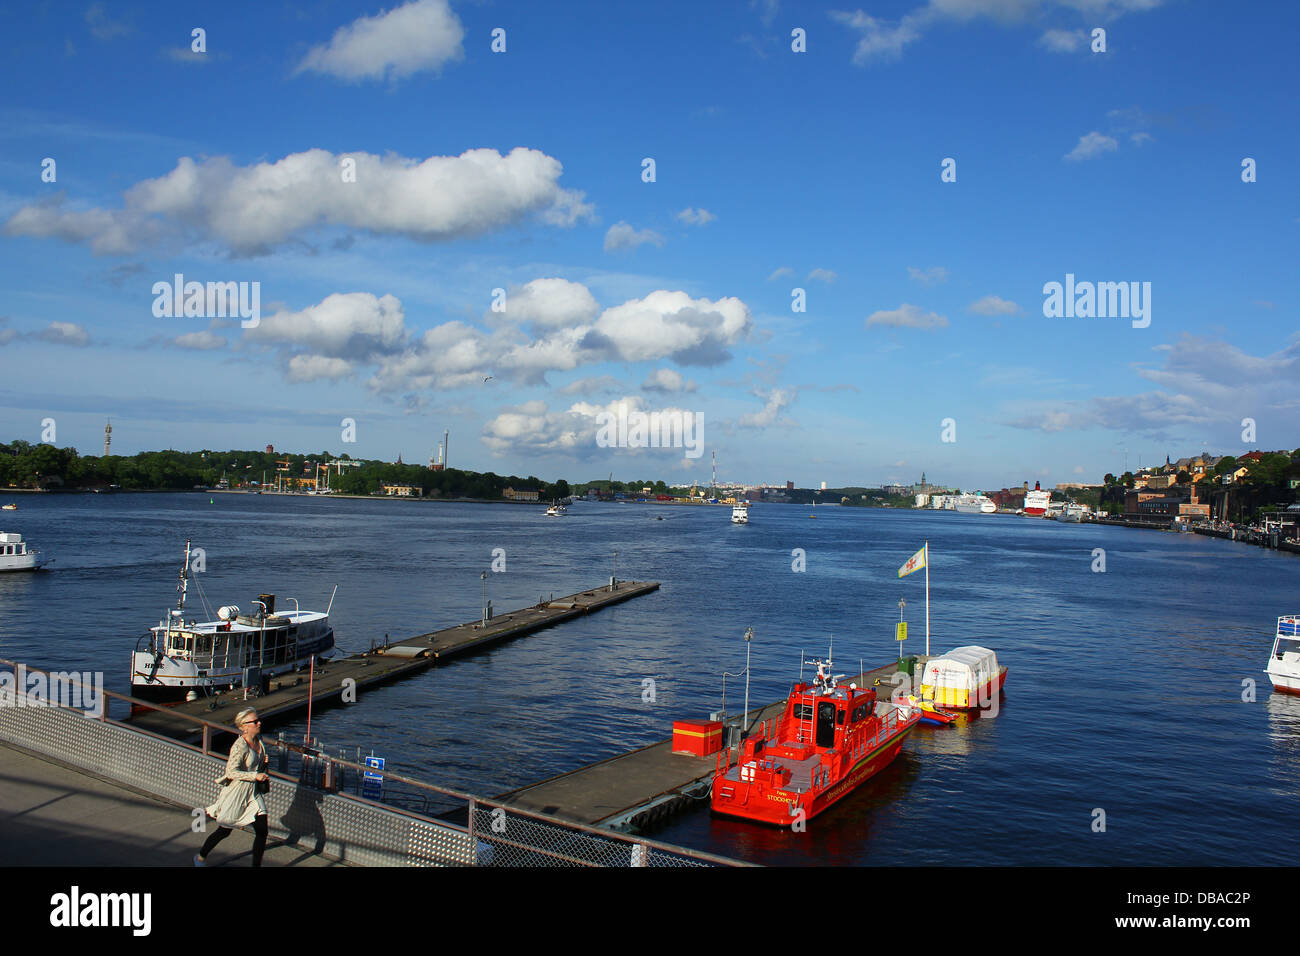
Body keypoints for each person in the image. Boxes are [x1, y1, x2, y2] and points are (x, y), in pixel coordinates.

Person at [195, 708, 270, 866]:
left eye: (258, 720)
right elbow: (231, 772)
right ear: (244, 726)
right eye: (255, 721)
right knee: (224, 830)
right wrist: (254, 776)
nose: (259, 723)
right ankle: (201, 856)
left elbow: (258, 762)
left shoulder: (259, 739)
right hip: (237, 792)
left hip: (253, 793)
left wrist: (264, 765)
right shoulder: (239, 746)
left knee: (262, 830)